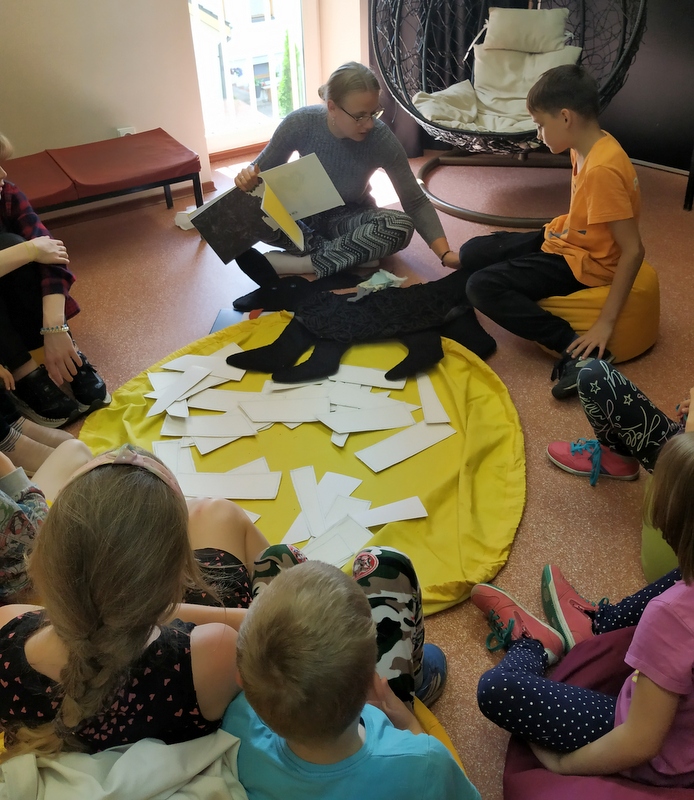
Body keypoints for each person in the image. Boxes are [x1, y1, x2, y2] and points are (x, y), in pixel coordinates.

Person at [0, 443, 284, 760]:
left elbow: (93, 625)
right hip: (188, 639)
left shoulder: (6, 630)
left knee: (208, 513)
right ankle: (282, 582)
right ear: (179, 580)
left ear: (46, 561)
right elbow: (260, 629)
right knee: (216, 512)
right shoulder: (216, 651)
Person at [471, 433, 694, 787]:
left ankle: (531, 645)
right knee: (682, 575)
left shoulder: (670, 616)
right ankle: (597, 625)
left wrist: (564, 765)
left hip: (668, 758)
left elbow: (640, 741)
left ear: (673, 520)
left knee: (497, 689)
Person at [221, 547, 479, 800]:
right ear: (372, 676)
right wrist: (408, 723)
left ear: (241, 680)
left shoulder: (239, 730)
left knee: (275, 555)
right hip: (388, 728)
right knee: (387, 560)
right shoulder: (424, 763)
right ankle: (419, 680)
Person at [455, 65, 645, 399]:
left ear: (566, 117)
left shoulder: (602, 170)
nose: (539, 133)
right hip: (568, 238)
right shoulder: (585, 144)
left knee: (480, 287)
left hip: (588, 264)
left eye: (541, 124)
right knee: (472, 252)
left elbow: (633, 250)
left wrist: (604, 324)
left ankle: (576, 350)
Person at [234, 61, 460, 277]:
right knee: (242, 212)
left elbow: (415, 201)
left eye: (373, 113)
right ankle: (353, 255)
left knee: (399, 225)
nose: (369, 124)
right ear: (332, 107)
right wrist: (247, 177)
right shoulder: (301, 123)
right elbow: (258, 173)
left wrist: (445, 255)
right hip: (302, 219)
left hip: (348, 218)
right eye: (359, 116)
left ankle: (306, 263)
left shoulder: (381, 139)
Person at [0, 132, 110, 428]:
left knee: (19, 248)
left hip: (21, 304)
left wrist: (55, 329)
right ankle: (23, 372)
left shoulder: (7, 193)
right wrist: (29, 250)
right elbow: (36, 247)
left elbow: (53, 257)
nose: (3, 174)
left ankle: (64, 349)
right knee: (12, 246)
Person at [546, 359, 692, 484]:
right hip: (683, 444)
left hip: (685, 464)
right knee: (595, 374)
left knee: (593, 375)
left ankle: (616, 456)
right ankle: (618, 457)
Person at [0, 438, 92, 605]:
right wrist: (6, 467)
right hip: (26, 586)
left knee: (74, 449)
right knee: (77, 450)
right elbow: (35, 537)